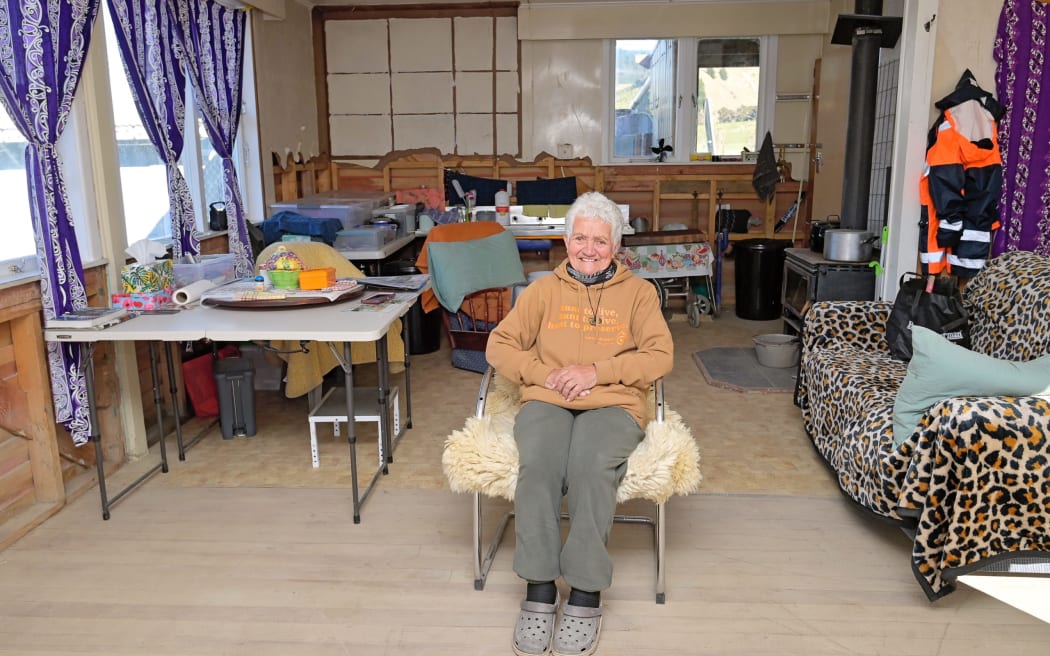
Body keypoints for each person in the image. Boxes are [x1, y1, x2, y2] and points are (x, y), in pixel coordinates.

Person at [486, 191, 674, 656]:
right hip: (547, 399)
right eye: (580, 238)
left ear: (616, 246)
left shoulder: (639, 293)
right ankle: (540, 589)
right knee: (541, 464)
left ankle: (587, 593)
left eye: (600, 241)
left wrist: (598, 372)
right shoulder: (543, 290)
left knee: (591, 466)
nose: (589, 249)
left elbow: (661, 355)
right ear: (566, 240)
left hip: (613, 402)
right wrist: (544, 374)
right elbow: (500, 345)